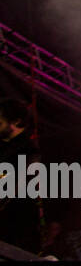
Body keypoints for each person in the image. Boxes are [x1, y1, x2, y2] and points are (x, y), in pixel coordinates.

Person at [0, 98, 42, 254]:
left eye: (0, 122)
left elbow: (7, 190)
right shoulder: (4, 147)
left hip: (11, 232)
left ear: (16, 122)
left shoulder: (29, 154)